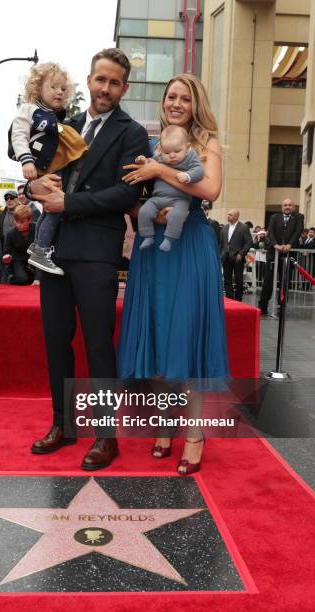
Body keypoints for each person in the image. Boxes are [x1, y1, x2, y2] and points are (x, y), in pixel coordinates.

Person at [30, 48, 150, 470]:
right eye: (100, 79)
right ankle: (63, 424)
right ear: (90, 78)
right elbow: (41, 179)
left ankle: (105, 436)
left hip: (97, 252)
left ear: (124, 88)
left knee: (99, 344)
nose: (105, 88)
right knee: (56, 341)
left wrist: (69, 203)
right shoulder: (69, 125)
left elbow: (126, 194)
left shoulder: (132, 134)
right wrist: (37, 187)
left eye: (114, 82)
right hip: (56, 250)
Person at [119, 74, 229, 475]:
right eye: (171, 97)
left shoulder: (206, 144)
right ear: (163, 102)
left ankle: (195, 434)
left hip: (191, 249)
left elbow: (211, 190)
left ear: (195, 104)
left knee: (189, 337)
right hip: (154, 252)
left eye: (184, 98)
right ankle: (166, 425)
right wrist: (149, 210)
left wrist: (160, 172)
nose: (176, 103)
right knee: (159, 337)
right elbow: (131, 202)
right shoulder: (150, 146)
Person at [9, 62, 88, 275]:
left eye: (63, 89)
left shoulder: (55, 115)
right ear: (37, 88)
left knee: (50, 209)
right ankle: (41, 250)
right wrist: (26, 160)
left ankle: (38, 246)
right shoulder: (29, 109)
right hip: (42, 166)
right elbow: (18, 134)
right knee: (55, 208)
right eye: (53, 87)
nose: (59, 92)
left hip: (51, 166)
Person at [137, 124, 204, 252]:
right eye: (167, 152)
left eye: (177, 151)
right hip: (158, 198)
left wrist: (189, 176)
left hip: (180, 199)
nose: (172, 155)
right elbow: (150, 163)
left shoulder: (190, 157)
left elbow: (199, 170)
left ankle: (169, 239)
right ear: (161, 150)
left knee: (177, 215)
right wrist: (143, 161)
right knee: (144, 211)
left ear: (187, 147)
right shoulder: (161, 158)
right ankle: (148, 236)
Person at [258, 199, 304, 315]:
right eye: (285, 205)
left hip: (288, 255)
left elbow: (298, 232)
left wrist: (290, 244)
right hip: (273, 254)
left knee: (285, 282)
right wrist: (275, 245)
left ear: (293, 207)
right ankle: (262, 307)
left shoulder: (298, 217)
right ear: (281, 207)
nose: (287, 207)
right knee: (268, 281)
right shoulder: (275, 217)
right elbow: (271, 232)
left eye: (290, 205)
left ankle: (281, 308)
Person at [220, 209, 253, 301]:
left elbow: (249, 242)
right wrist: (221, 254)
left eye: (230, 214)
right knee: (227, 279)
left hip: (238, 257)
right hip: (226, 257)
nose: (228, 216)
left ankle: (238, 298)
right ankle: (229, 298)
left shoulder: (243, 227)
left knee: (239, 279)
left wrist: (241, 254)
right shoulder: (224, 228)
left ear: (236, 216)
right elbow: (221, 243)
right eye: (228, 214)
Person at [2, 205, 35, 285]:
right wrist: (7, 258)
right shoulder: (10, 233)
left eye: (22, 222)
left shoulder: (37, 229)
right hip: (18, 259)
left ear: (29, 219)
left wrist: (38, 279)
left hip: (36, 259)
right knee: (22, 279)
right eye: (16, 221)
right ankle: (11, 278)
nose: (18, 224)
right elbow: (6, 252)